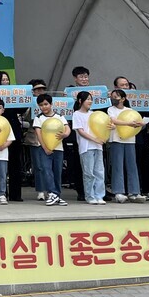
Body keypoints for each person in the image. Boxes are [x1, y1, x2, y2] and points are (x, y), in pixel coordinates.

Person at [108, 88, 146, 203]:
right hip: (116, 140)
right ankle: (118, 192)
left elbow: (139, 122)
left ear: (123, 99)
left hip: (129, 140)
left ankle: (134, 192)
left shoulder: (130, 110)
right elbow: (114, 120)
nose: (114, 98)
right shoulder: (111, 109)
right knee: (117, 165)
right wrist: (129, 123)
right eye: (113, 96)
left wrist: (140, 124)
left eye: (116, 96)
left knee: (132, 166)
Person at [0, 71, 24, 201]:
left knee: (15, 164)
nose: (5, 82)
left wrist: (26, 97)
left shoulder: (13, 94)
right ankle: (1, 193)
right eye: (2, 80)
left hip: (13, 130)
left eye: (7, 80)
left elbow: (21, 110)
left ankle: (16, 194)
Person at [33, 93, 69, 206]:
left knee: (57, 172)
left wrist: (65, 135)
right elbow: (39, 134)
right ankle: (52, 193)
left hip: (58, 149)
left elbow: (67, 128)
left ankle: (57, 195)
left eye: (46, 104)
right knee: (46, 171)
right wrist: (45, 148)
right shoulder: (38, 118)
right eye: (41, 105)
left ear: (51, 104)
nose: (44, 107)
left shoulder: (59, 116)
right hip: (44, 149)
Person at [71, 91, 106, 205]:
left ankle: (99, 195)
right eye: (87, 99)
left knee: (99, 172)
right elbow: (80, 131)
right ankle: (90, 195)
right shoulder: (77, 114)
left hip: (98, 146)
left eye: (91, 99)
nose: (90, 101)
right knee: (89, 173)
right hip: (86, 147)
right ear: (80, 101)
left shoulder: (94, 114)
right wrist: (94, 139)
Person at [63, 66, 88, 201]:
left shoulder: (94, 93)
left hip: (93, 134)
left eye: (86, 76)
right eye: (81, 77)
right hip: (77, 132)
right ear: (75, 78)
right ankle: (81, 190)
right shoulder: (70, 92)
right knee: (78, 163)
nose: (84, 79)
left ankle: (98, 189)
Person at [25, 79, 48, 201]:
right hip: (35, 139)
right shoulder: (29, 104)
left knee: (48, 166)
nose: (40, 91)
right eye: (37, 89)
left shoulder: (51, 103)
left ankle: (50, 189)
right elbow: (27, 118)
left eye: (42, 89)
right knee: (38, 166)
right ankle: (40, 191)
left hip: (50, 139)